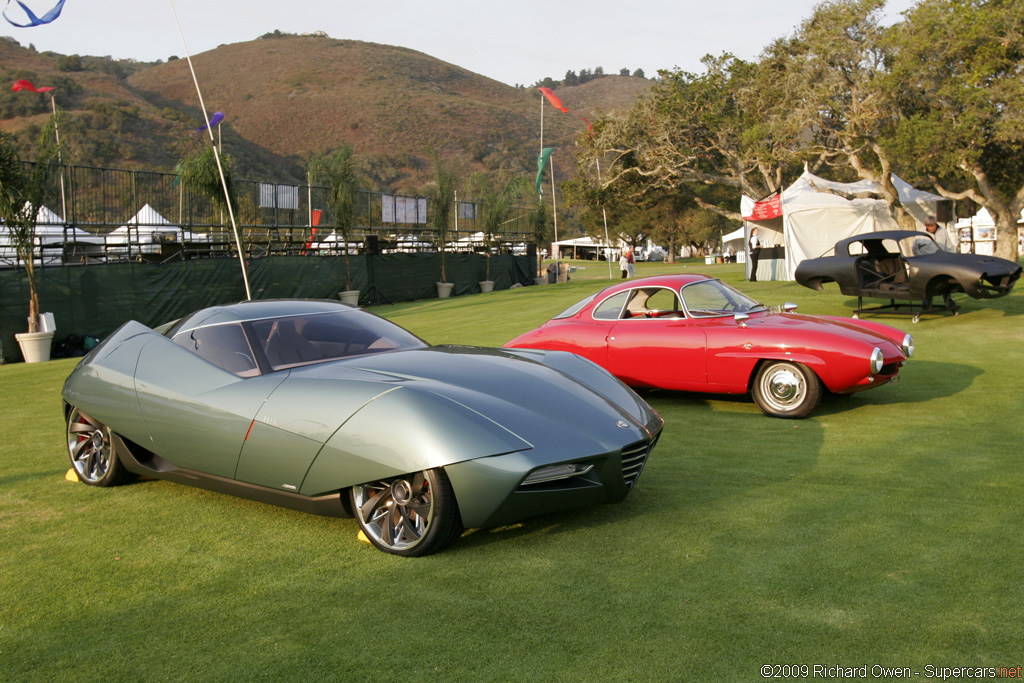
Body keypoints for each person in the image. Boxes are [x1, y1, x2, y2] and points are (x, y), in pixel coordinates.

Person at [914, 217, 955, 310]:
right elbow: (915, 248)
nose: (932, 228)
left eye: (933, 226)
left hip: (941, 262)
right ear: (926, 226)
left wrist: (949, 257)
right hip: (926, 263)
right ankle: (926, 303)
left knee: (945, 282)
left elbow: (949, 246)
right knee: (927, 283)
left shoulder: (943, 231)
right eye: (929, 226)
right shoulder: (920, 234)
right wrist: (921, 258)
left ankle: (949, 301)